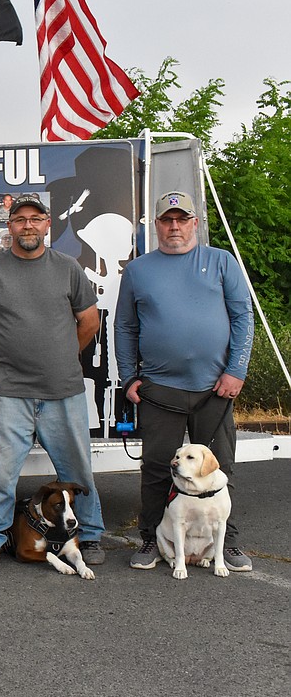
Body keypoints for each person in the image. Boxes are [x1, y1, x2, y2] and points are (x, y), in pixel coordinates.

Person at [0, 195, 106, 572]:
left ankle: (88, 534)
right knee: (0, 473)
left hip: (63, 390)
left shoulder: (68, 268)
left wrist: (62, 356)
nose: (28, 225)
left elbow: (89, 320)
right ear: (9, 226)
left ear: (47, 223)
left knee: (77, 471)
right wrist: (2, 355)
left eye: (35, 218)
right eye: (19, 219)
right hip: (9, 392)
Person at [115, 190, 255, 572]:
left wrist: (236, 371)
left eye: (182, 219)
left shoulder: (221, 261)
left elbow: (244, 318)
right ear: (156, 224)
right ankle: (150, 538)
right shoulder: (138, 270)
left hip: (216, 388)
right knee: (159, 467)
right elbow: (125, 327)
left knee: (220, 466)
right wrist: (129, 377)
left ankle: (225, 543)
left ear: (195, 223)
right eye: (166, 219)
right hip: (160, 390)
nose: (174, 226)